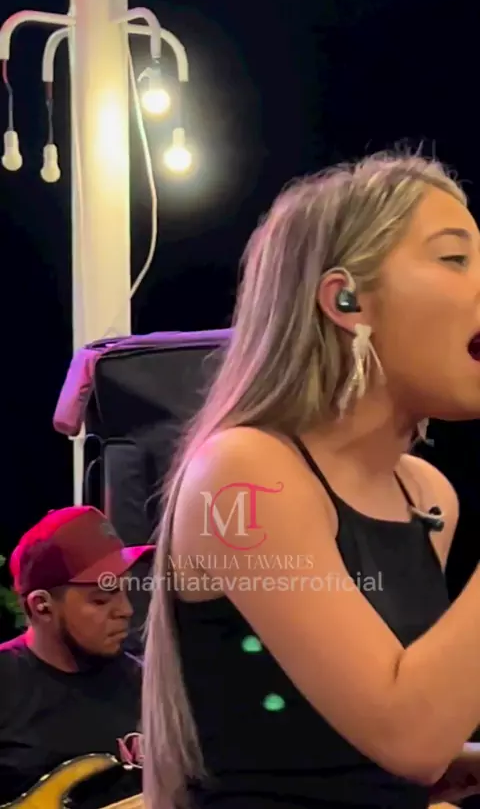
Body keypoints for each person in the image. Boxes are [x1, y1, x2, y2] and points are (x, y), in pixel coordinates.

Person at [142, 151, 480, 809]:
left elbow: (362, 740)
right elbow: (406, 732)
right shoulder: (244, 472)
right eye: (454, 259)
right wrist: (425, 751)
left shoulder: (425, 494)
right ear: (346, 300)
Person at [0, 505, 153, 803]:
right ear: (42, 606)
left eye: (125, 591)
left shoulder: (147, 685)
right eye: (101, 600)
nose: (125, 610)